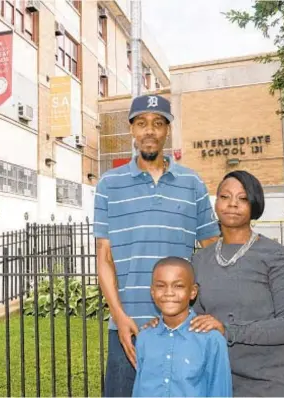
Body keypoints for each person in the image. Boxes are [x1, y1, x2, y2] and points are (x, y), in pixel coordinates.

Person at [94, 94, 220, 397]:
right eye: (141, 123)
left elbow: (212, 251)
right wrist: (120, 317)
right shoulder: (108, 185)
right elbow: (104, 258)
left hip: (180, 328)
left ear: (167, 130)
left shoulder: (192, 183)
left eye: (158, 123)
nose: (149, 130)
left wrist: (210, 310)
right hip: (128, 329)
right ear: (132, 130)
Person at [189, 170, 284, 396]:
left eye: (242, 198)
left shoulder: (278, 257)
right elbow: (194, 321)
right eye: (225, 197)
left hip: (271, 382)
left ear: (254, 204)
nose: (232, 204)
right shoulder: (199, 260)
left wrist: (228, 330)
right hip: (219, 380)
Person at [133, 256, 232, 397]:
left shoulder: (211, 340)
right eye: (161, 286)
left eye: (178, 286)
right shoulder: (144, 338)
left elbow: (220, 391)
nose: (169, 293)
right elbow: (139, 389)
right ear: (152, 291)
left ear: (193, 291)